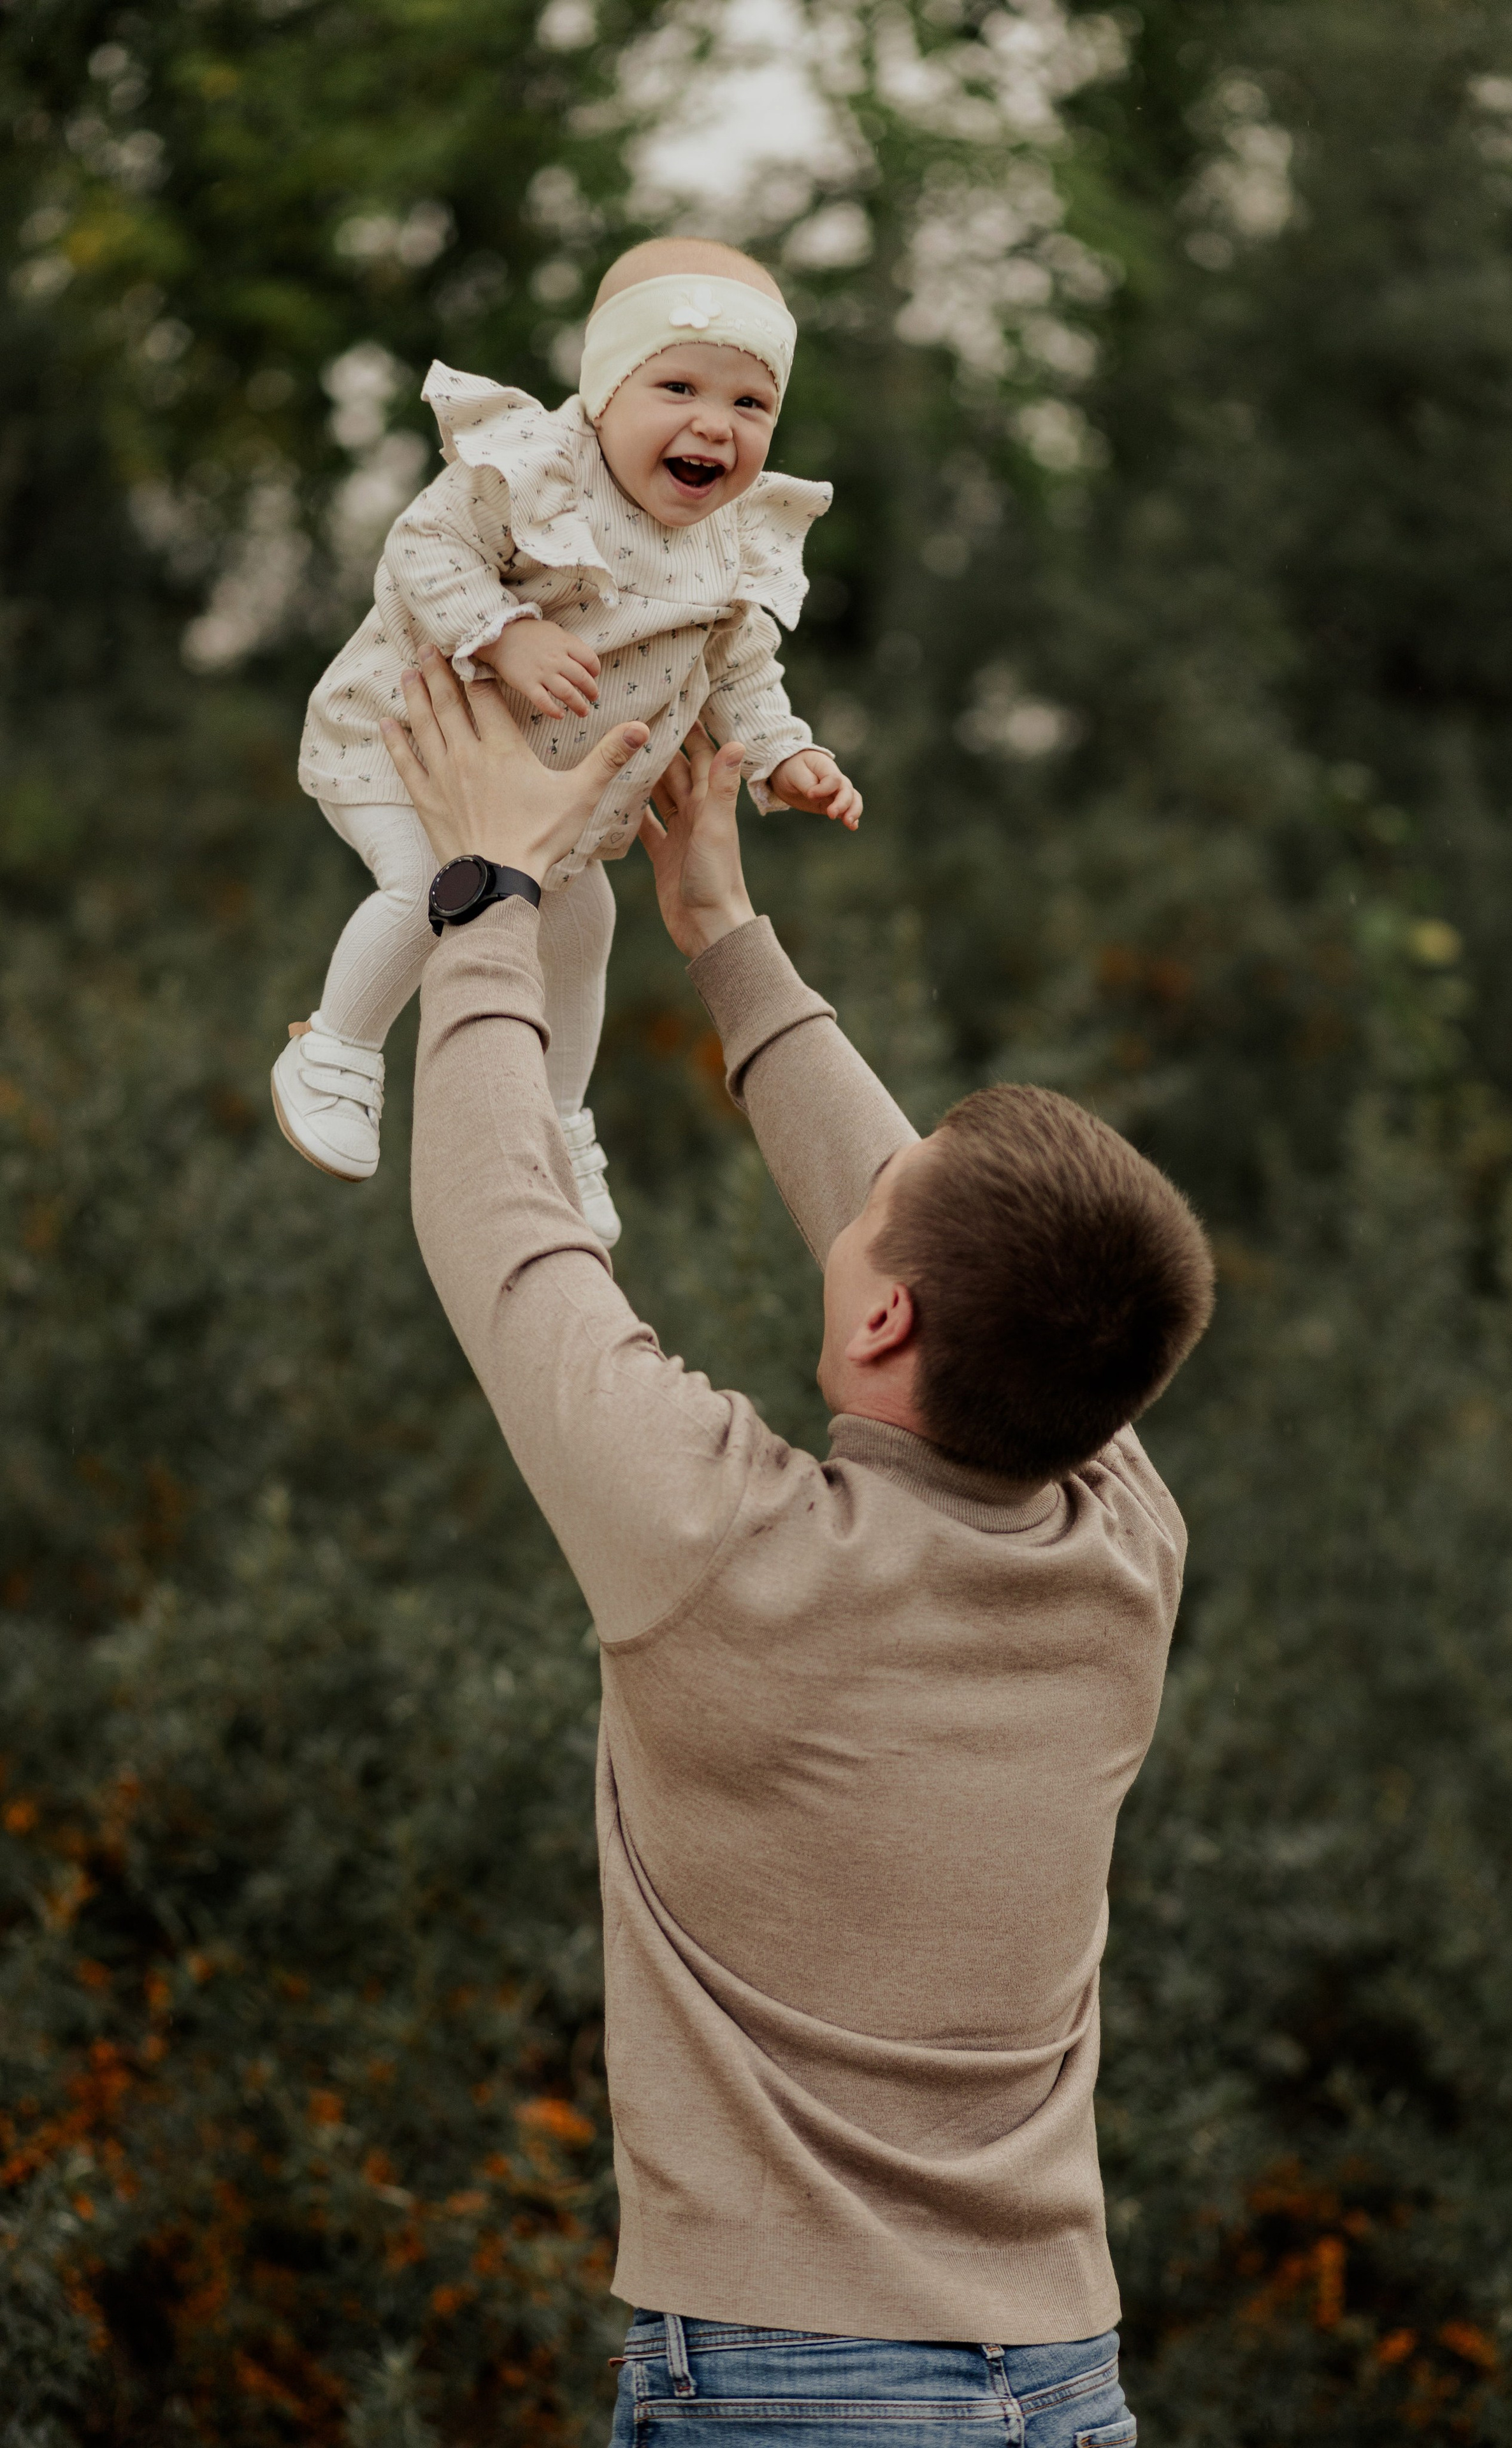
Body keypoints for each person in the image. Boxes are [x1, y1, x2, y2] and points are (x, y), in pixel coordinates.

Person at [384, 646, 1214, 2445]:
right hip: (1062, 2380)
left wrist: (483, 894)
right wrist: (718, 920)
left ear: (889, 1326)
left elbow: (502, 1235)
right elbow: (995, 1270)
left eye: (868, 1234)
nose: (850, 1209)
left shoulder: (725, 1554)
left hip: (785, 2391)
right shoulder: (1123, 1543)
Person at [277, 236, 860, 1233]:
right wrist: (503, 632)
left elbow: (742, 668)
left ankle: (557, 1122)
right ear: (603, 390)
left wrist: (785, 753)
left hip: (556, 811)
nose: (713, 426)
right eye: (677, 386)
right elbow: (427, 544)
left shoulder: (730, 537)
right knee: (429, 885)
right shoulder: (537, 469)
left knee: (585, 932)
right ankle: (336, 1048)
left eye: (749, 404)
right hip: (410, 748)